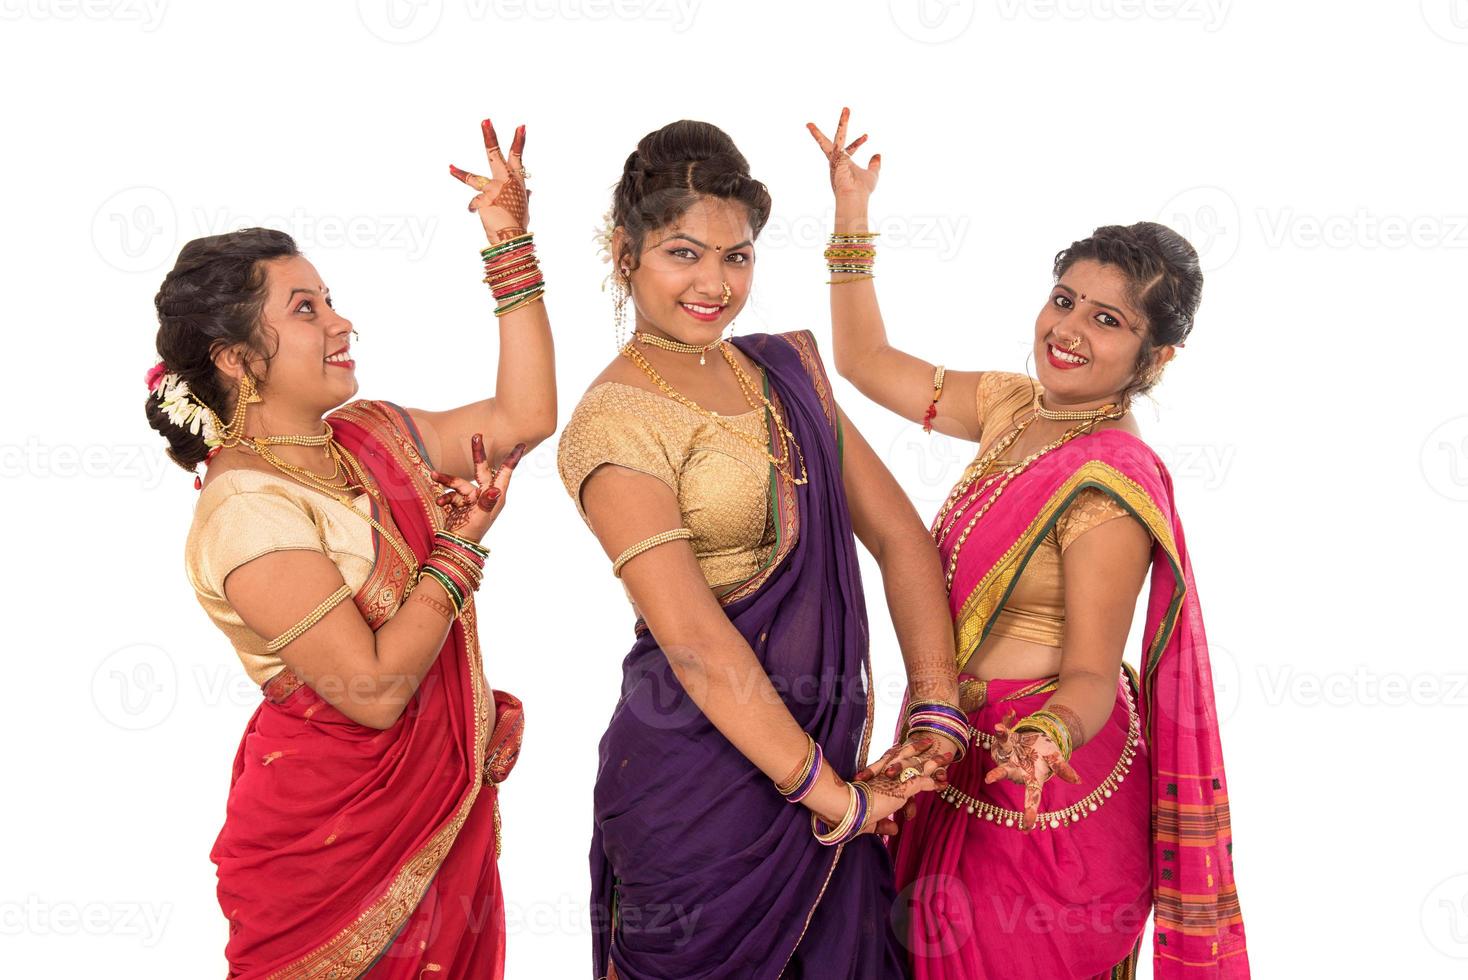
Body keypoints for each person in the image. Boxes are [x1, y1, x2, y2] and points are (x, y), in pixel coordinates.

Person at [808, 108, 1249, 979]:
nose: (1070, 330)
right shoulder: (1015, 407)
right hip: (952, 750)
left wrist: (1045, 734)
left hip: (1043, 780)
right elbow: (861, 361)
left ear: (1158, 357)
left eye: (1109, 322)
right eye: (1064, 300)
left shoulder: (1109, 484)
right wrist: (851, 217)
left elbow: (1090, 672)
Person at [556, 119, 963, 979]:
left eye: (736, 257)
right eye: (683, 254)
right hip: (699, 804)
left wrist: (936, 714)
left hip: (829, 781)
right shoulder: (614, 419)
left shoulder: (782, 370)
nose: (714, 283)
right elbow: (698, 648)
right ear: (624, 253)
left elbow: (900, 537)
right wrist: (837, 803)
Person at [150, 118, 554, 979]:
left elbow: (523, 420)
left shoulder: (369, 437)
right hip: (328, 856)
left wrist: (508, 246)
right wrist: (457, 551)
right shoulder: (244, 511)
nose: (341, 322)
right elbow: (372, 691)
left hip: (432, 824)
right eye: (307, 309)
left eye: (328, 299)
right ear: (234, 358)